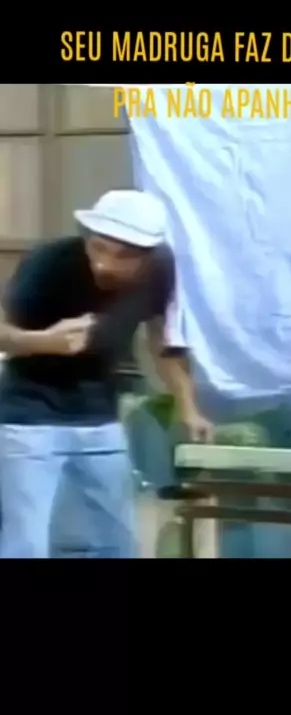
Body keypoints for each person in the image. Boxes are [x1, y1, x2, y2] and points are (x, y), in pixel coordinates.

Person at [0, 189, 213, 559]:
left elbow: (160, 339)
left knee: (118, 542)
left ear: (147, 255)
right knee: (26, 544)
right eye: (97, 248)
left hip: (101, 419)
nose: (104, 264)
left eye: (123, 256)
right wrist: (44, 341)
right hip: (28, 419)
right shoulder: (49, 261)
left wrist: (188, 407)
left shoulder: (161, 270)